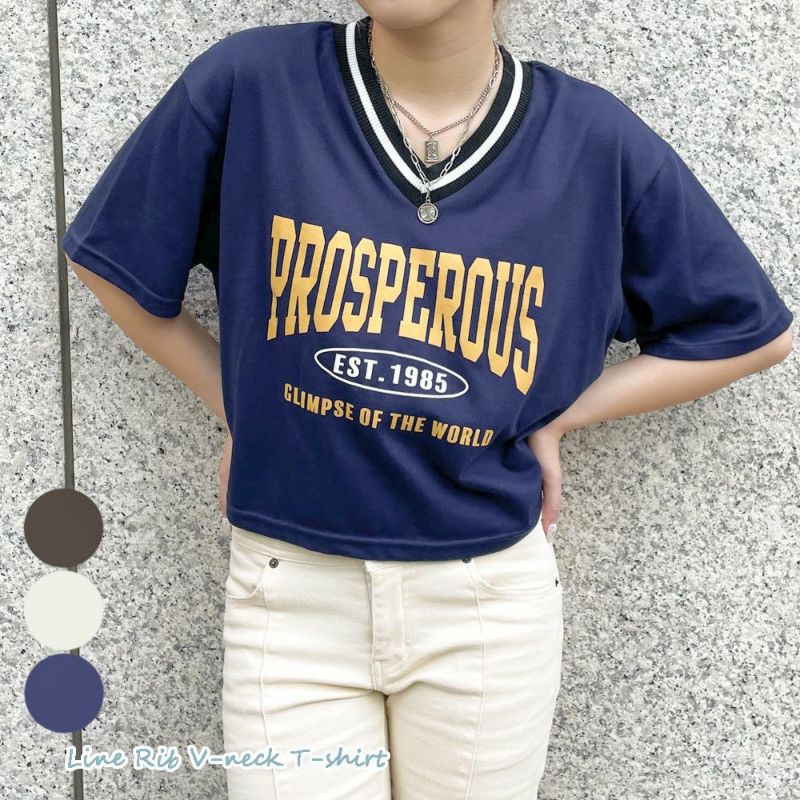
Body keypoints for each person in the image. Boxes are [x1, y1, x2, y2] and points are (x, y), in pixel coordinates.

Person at [60, 1, 793, 798]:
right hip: (291, 589)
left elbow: (749, 331)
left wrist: (559, 417)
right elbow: (113, 258)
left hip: (484, 605)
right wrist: (241, 403)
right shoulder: (253, 85)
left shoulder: (591, 141)